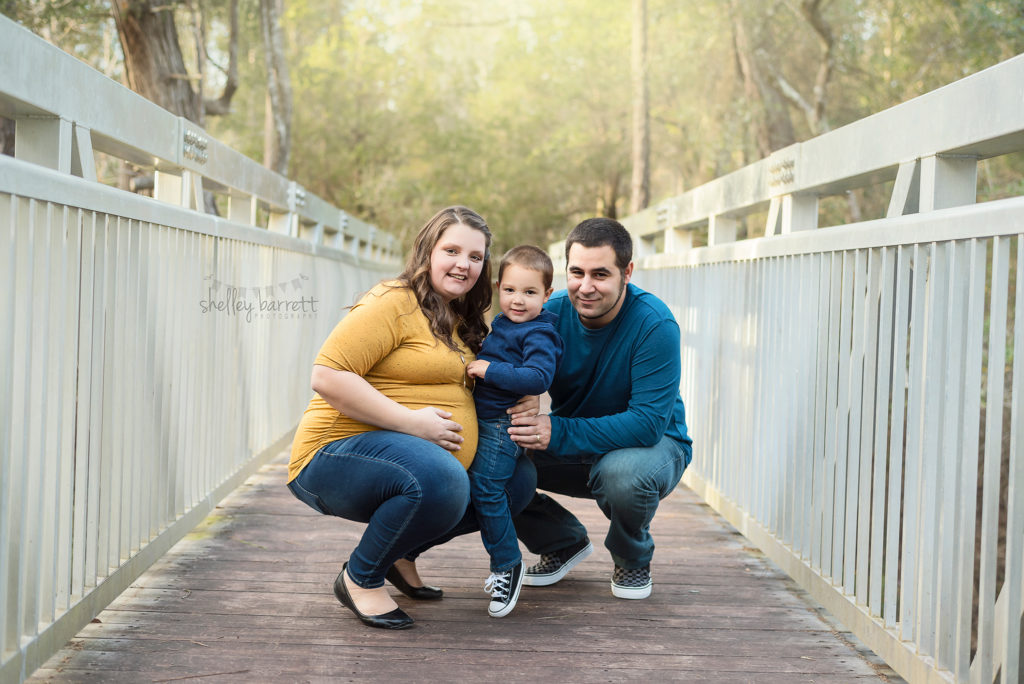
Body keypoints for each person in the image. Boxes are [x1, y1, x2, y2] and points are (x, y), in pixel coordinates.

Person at [286, 206, 536, 630]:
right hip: (332, 456)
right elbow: (326, 376)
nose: (463, 264)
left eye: (475, 257)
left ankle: (401, 553)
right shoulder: (393, 301)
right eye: (452, 250)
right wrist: (412, 423)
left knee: (516, 481)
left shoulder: (461, 317)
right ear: (427, 250)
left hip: (409, 459)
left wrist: (525, 398)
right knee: (442, 479)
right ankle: (360, 577)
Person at [506, 217, 693, 600]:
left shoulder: (654, 324)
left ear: (627, 272)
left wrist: (555, 431)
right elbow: (510, 366)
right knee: (491, 457)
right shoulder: (549, 314)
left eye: (600, 274)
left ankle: (631, 556)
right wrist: (518, 394)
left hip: (652, 447)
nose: (586, 287)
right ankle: (561, 540)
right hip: (578, 441)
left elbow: (646, 425)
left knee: (622, 474)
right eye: (576, 272)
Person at [465, 245, 563, 618]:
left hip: (501, 424)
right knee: (486, 487)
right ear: (496, 288)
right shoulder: (505, 324)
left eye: (529, 292)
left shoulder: (540, 333)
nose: (517, 300)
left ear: (547, 296)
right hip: (486, 421)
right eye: (509, 291)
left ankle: (506, 563)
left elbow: (538, 377)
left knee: (487, 490)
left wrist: (487, 369)